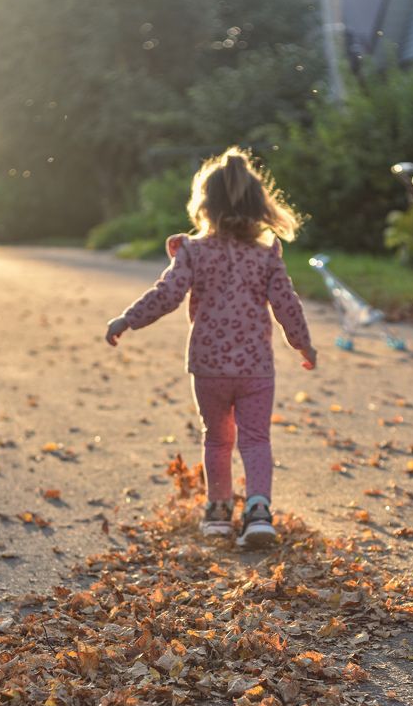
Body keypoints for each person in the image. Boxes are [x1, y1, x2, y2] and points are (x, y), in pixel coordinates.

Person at [105, 146, 316, 548]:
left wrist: (128, 319)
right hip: (255, 368)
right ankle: (258, 513)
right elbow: (286, 303)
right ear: (259, 206)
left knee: (217, 439)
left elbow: (167, 294)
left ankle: (218, 511)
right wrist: (303, 346)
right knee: (255, 439)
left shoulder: (193, 251)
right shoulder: (266, 253)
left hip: (209, 367)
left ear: (204, 204)